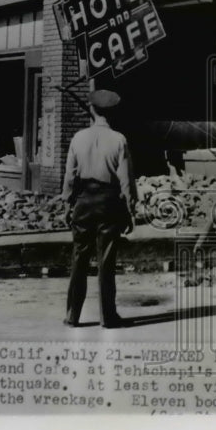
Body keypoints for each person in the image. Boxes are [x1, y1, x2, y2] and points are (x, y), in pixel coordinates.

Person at [61, 89, 137, 328]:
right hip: (109, 203)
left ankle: (73, 315)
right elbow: (126, 181)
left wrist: (67, 204)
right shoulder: (119, 140)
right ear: (112, 113)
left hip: (83, 200)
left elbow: (70, 177)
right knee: (106, 261)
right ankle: (108, 316)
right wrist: (130, 209)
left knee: (79, 258)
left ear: (92, 110)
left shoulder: (78, 138)